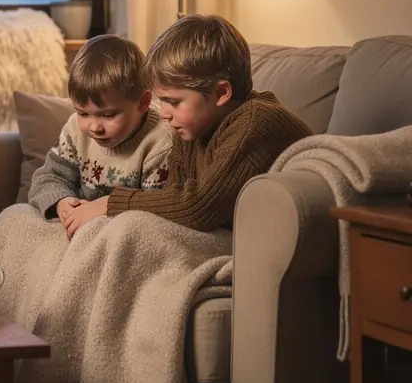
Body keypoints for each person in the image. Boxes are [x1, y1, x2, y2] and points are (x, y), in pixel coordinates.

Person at [61, 14, 312, 237]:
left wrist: (108, 204)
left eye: (173, 101)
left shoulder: (255, 122)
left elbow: (197, 207)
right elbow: (174, 195)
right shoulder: (190, 128)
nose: (165, 113)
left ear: (220, 92)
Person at [28, 35, 172, 238]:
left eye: (108, 115)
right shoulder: (74, 130)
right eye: (83, 113)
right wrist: (62, 203)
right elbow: (48, 178)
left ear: (143, 103)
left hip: (127, 232)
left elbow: (157, 208)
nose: (94, 127)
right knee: (14, 215)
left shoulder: (159, 140)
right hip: (80, 224)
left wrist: (102, 211)